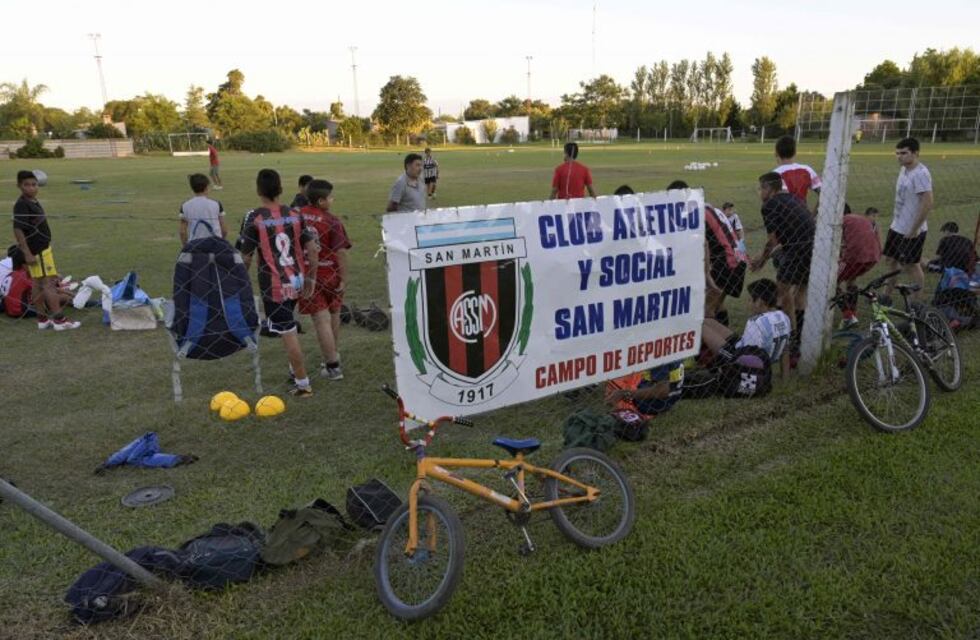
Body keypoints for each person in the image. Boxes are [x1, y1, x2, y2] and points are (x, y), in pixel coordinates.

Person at [238, 169, 319, 397]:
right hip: (297, 280)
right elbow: (312, 249)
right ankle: (295, 372)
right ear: (281, 189)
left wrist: (240, 279)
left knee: (288, 332)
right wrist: (311, 277)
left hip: (274, 287)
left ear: (258, 190)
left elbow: (245, 256)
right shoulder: (295, 213)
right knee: (289, 326)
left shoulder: (255, 218)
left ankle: (303, 384)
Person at [750, 171, 815, 342]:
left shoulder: (769, 205)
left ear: (768, 188)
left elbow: (772, 241)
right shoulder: (794, 199)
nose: (759, 193)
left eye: (760, 188)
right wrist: (765, 256)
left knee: (782, 291)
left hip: (797, 250)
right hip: (813, 247)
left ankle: (790, 337)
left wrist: (762, 261)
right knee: (800, 292)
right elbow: (788, 236)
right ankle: (800, 334)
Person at [12, 170, 80, 330]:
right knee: (48, 284)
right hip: (39, 252)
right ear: (19, 186)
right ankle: (59, 320)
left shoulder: (32, 201)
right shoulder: (22, 204)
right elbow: (18, 229)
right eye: (26, 185)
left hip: (42, 250)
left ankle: (42, 319)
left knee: (36, 283)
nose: (31, 188)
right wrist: (27, 253)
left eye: (34, 184)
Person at [298, 179, 351, 380]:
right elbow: (341, 253)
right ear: (321, 201)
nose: (332, 199)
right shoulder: (332, 220)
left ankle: (332, 363)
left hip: (309, 275)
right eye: (330, 197)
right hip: (331, 274)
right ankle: (332, 360)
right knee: (333, 314)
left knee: (321, 320)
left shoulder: (297, 215)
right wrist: (344, 278)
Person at [700, 278, 792, 378]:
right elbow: (785, 349)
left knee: (701, 326)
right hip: (758, 352)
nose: (747, 303)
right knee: (708, 321)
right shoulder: (783, 317)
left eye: (750, 300)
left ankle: (711, 362)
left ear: (759, 302)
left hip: (738, 358)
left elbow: (746, 354)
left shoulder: (756, 322)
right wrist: (785, 376)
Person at [883, 137, 932, 300]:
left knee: (912, 265)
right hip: (897, 226)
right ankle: (886, 295)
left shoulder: (921, 174)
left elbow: (927, 202)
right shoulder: (904, 169)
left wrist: (915, 229)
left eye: (904, 153)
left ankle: (916, 302)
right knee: (890, 260)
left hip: (911, 230)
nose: (899, 156)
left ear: (915, 153)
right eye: (897, 153)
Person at [837, 203, 882, 328]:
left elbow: (836, 244)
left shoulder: (841, 220)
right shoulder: (859, 218)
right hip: (872, 258)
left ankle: (848, 316)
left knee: (831, 283)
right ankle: (853, 313)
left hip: (856, 257)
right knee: (851, 280)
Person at [605, 361, 684, 420]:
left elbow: (662, 390)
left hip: (647, 405)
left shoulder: (659, 351)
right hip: (671, 399)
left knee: (616, 378)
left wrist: (625, 393)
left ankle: (629, 407)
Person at [773, 135, 821, 209]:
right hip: (803, 216)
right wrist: (812, 215)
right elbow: (823, 193)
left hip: (783, 217)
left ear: (776, 153)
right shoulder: (807, 169)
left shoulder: (775, 174)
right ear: (795, 152)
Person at [179, 173, 227, 244]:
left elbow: (182, 232)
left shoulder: (185, 206)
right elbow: (224, 230)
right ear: (206, 187)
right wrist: (221, 241)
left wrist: (186, 246)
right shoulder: (216, 204)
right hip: (215, 243)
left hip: (195, 245)